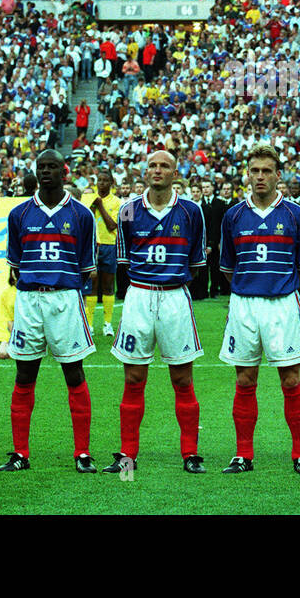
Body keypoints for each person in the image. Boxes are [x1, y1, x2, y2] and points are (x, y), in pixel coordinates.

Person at [105, 149, 208, 474]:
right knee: (134, 377)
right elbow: (123, 259)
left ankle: (190, 453)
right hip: (139, 297)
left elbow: (196, 261)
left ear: (175, 172)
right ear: (144, 171)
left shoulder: (191, 211)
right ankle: (127, 455)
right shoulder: (129, 210)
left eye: (164, 165)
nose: (158, 170)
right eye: (152, 165)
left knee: (182, 377)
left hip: (175, 298)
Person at [217, 144, 300, 474]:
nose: (260, 176)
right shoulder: (233, 215)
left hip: (282, 305)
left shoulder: (296, 215)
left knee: (290, 380)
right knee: (245, 380)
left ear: (278, 175)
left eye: (266, 171)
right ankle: (243, 454)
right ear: (247, 174)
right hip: (244, 305)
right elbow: (228, 267)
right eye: (254, 171)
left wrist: (281, 287)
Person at [0, 150, 98, 473]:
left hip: (65, 300)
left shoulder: (82, 215)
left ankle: (82, 453)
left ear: (63, 172)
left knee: (74, 373)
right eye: (41, 167)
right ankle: (19, 454)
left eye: (52, 167)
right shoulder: (18, 214)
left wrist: (61, 286)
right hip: (29, 300)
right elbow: (15, 265)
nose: (45, 172)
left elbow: (87, 268)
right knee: (24, 375)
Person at [82, 169, 121, 337]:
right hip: (91, 246)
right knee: (92, 285)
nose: (102, 183)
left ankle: (107, 324)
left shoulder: (117, 202)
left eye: (105, 180)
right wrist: (91, 206)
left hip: (109, 245)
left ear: (111, 183)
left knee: (108, 284)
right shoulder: (88, 199)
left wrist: (99, 205)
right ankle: (89, 324)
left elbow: (112, 225)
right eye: (99, 180)